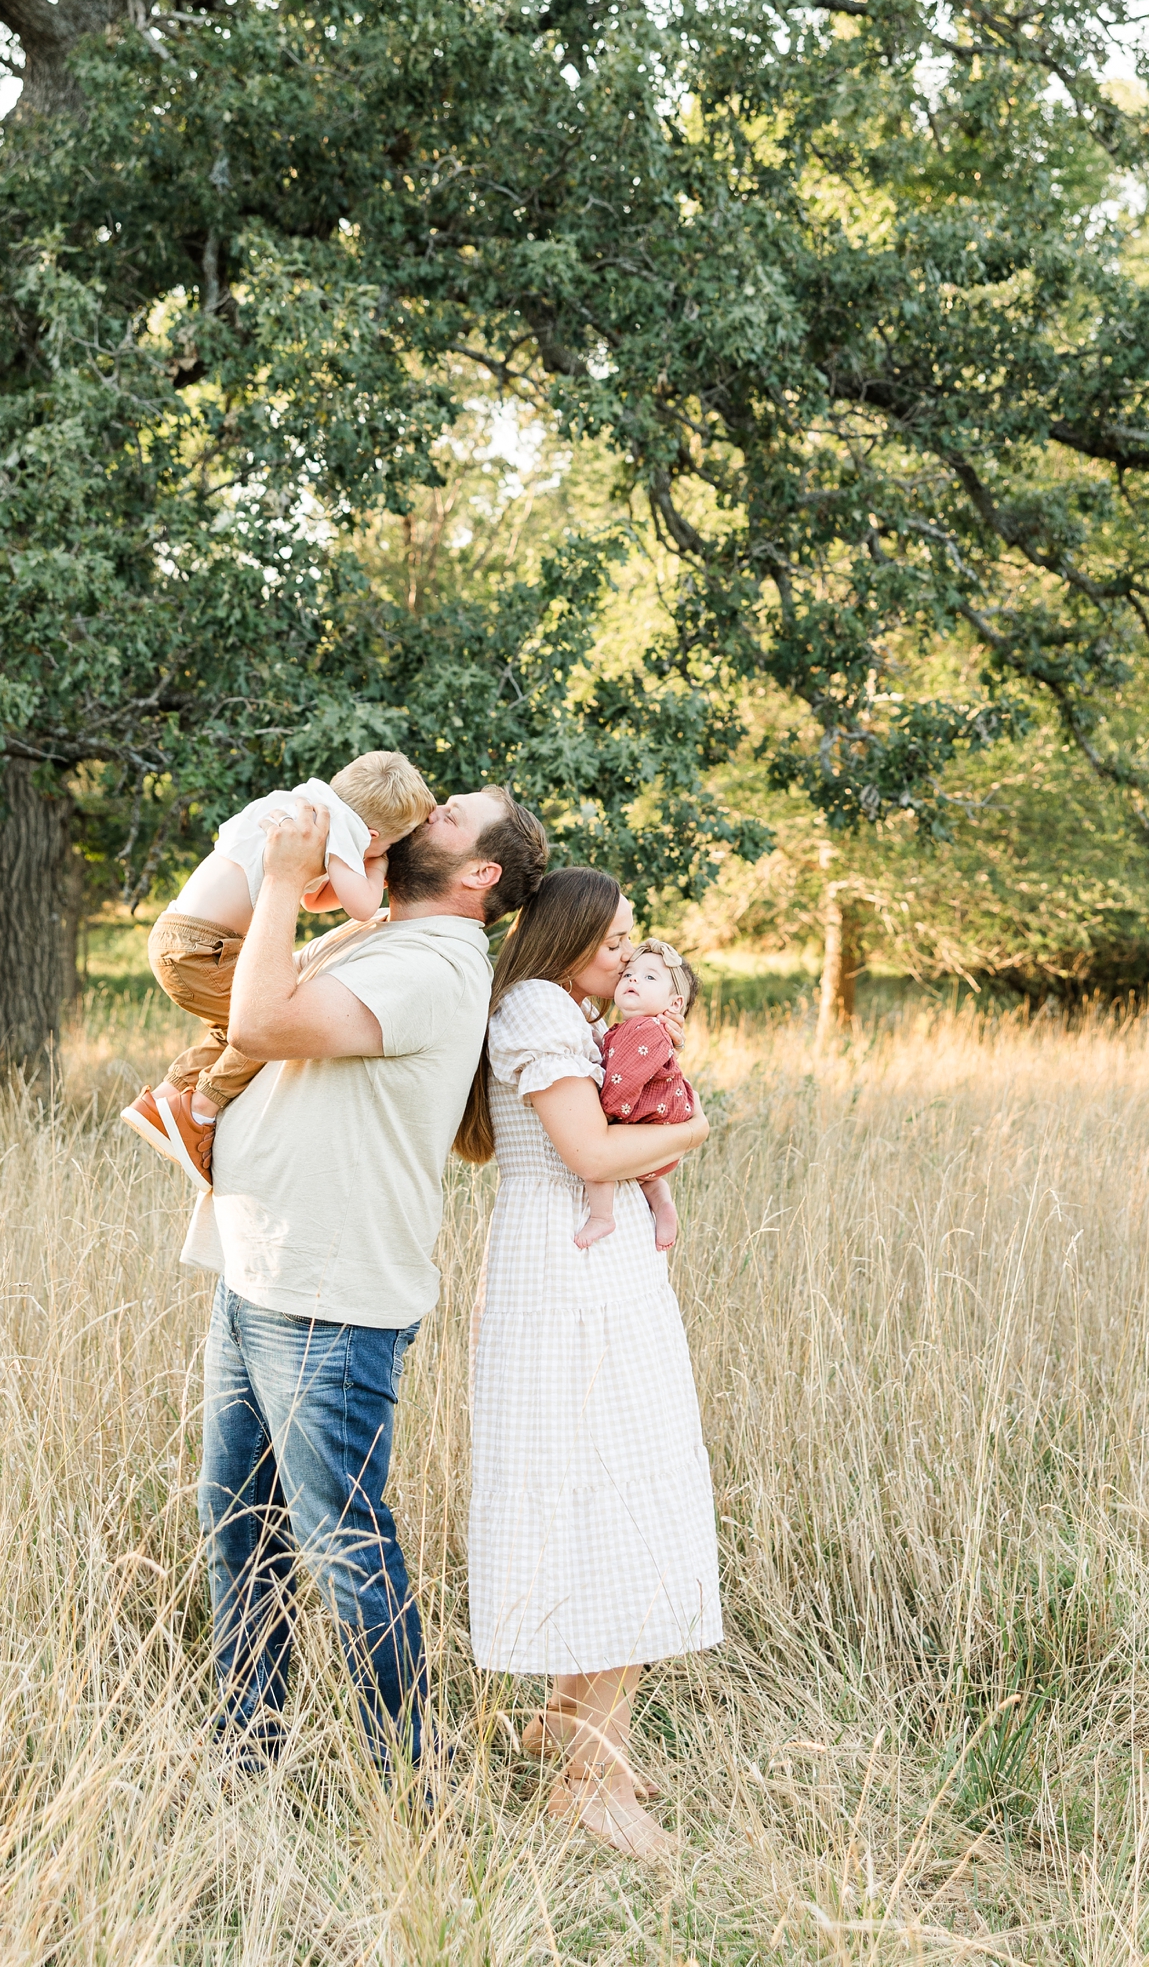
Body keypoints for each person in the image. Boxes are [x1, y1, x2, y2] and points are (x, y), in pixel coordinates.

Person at [184, 783, 550, 1774]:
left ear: (481, 873)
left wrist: (285, 878)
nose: (428, 807)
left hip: (330, 1304)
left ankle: (407, 1780)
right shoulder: (381, 936)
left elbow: (260, 1022)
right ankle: (247, 1749)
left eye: (451, 813)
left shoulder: (435, 965)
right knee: (239, 1523)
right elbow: (232, 987)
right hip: (262, 1269)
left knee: (344, 1547)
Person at [457, 869, 720, 1860]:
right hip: (574, 1267)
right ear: (566, 936)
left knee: (616, 1487)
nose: (628, 957)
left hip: (584, 1264)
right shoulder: (534, 1007)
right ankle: (589, 1779)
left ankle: (574, 1723)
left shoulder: (565, 1010)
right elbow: (592, 1155)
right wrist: (697, 1125)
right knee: (614, 1495)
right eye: (614, 941)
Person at [121, 751, 436, 1187]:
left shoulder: (303, 804)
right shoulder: (341, 827)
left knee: (232, 1024)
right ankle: (200, 1112)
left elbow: (312, 898)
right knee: (271, 1019)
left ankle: (166, 1098)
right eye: (385, 846)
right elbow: (363, 908)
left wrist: (359, 867)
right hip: (205, 947)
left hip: (181, 936)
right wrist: (378, 865)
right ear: (372, 834)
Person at [573, 938, 699, 1252]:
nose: (633, 979)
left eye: (649, 977)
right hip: (660, 1134)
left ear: (674, 1004)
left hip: (646, 1123)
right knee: (647, 1177)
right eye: (630, 973)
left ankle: (602, 1215)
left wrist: (604, 1113)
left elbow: (622, 1082)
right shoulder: (646, 1027)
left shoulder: (642, 1029)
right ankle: (661, 1200)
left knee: (601, 1153)